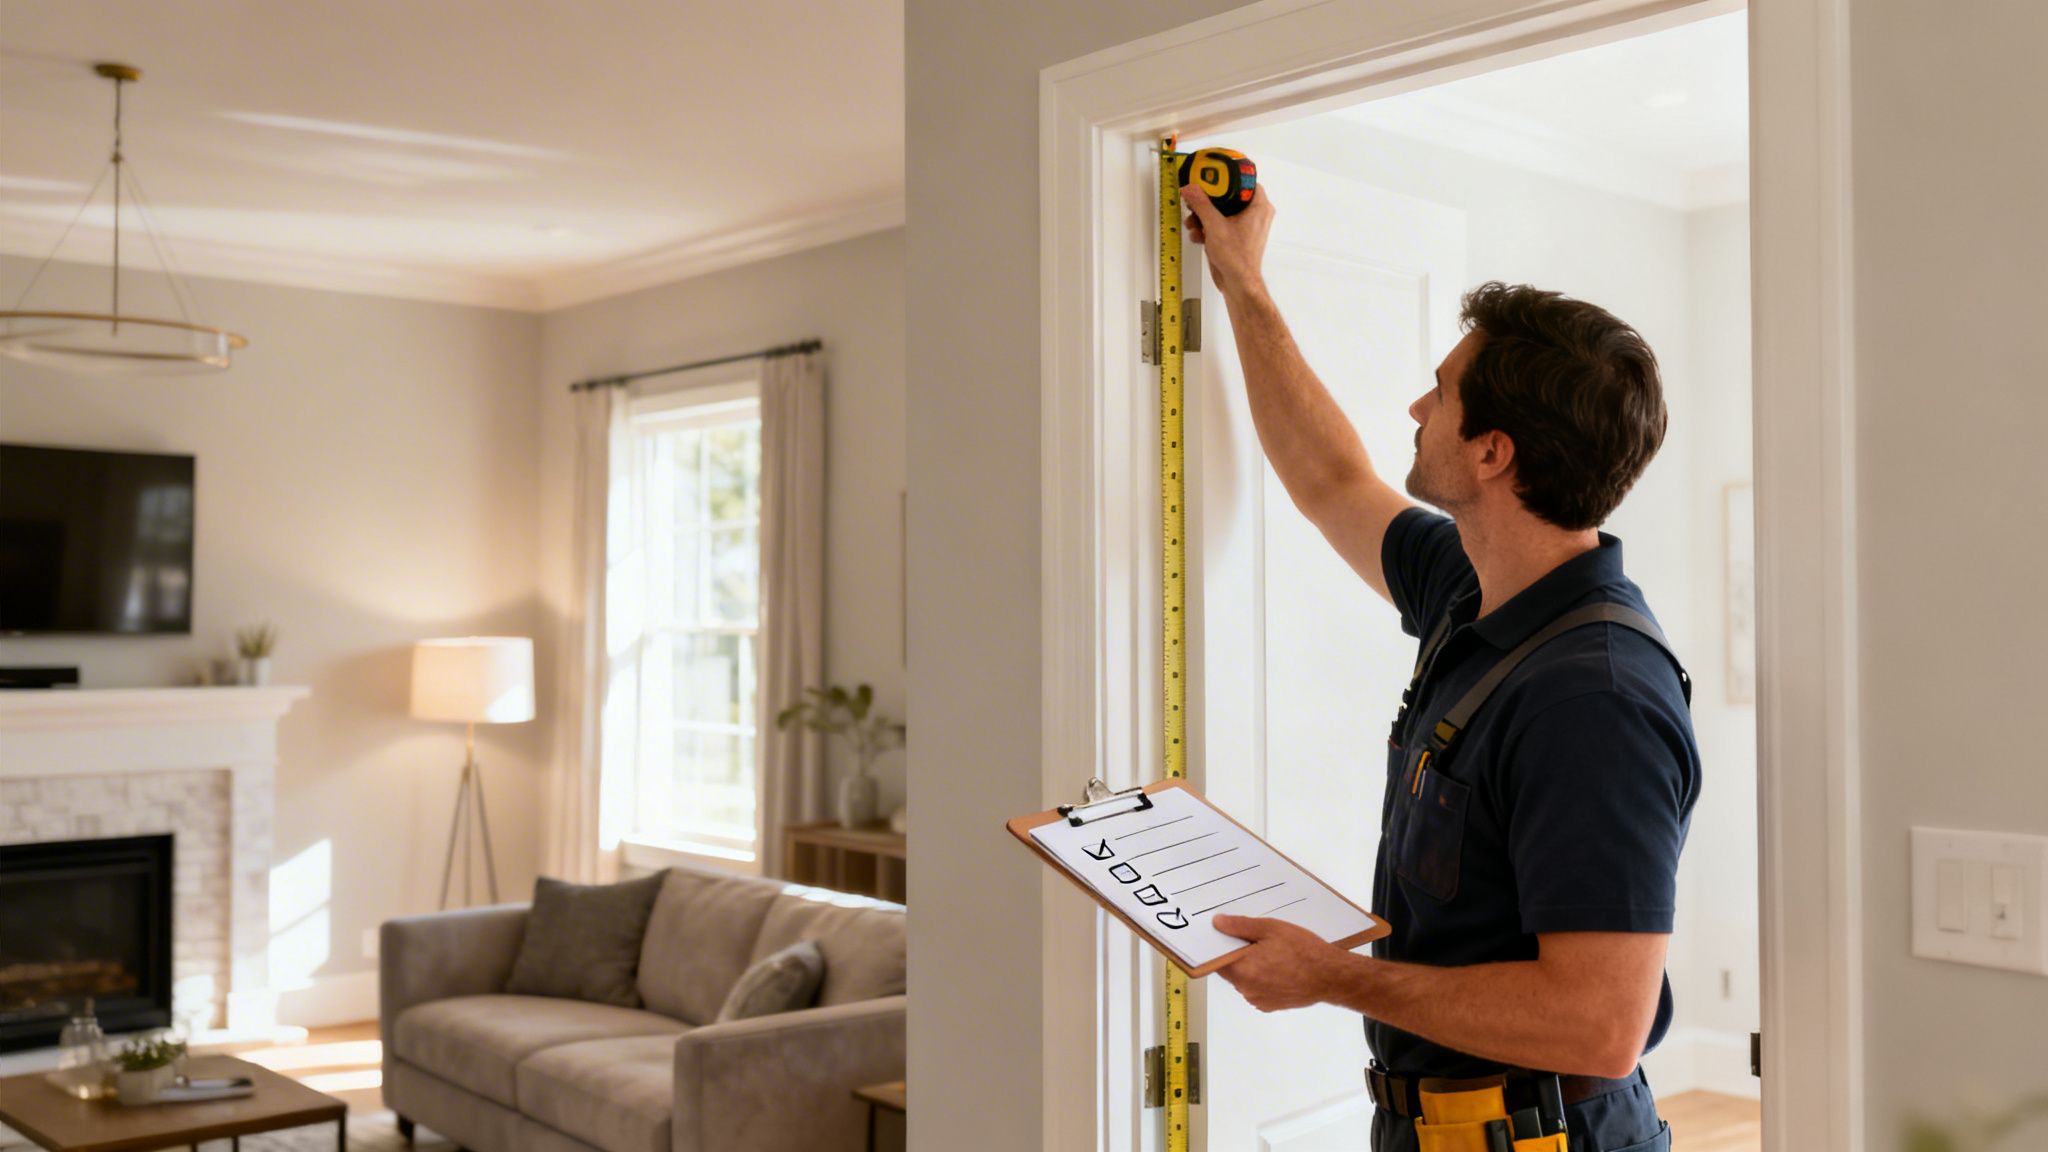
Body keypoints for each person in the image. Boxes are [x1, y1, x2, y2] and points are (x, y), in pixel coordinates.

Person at [1181, 179, 1699, 1152]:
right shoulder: (1473, 590)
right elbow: (1332, 480)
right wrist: (1241, 281)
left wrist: (1328, 976)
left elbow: (1601, 1024)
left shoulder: (1592, 696)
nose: (1416, 405)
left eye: (1442, 392)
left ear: (1492, 452)